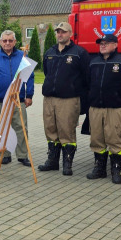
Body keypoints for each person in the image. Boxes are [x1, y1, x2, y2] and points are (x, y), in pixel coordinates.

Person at [38, 21, 89, 175]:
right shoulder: (50, 52)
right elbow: (47, 72)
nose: (60, 34)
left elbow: (87, 77)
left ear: (70, 34)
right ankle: (52, 161)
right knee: (50, 130)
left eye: (63, 32)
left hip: (68, 99)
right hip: (49, 99)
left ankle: (67, 164)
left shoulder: (79, 53)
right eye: (58, 32)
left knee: (67, 132)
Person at [85, 33, 121, 183]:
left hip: (115, 109)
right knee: (96, 140)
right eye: (101, 43)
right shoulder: (93, 63)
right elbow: (87, 84)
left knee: (114, 140)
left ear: (115, 45)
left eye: (106, 43)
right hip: (95, 108)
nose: (102, 45)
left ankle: (116, 171)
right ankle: (100, 169)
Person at [0, 30, 35, 166]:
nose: (7, 43)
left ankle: (22, 155)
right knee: (1, 128)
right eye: (5, 40)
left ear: (15, 42)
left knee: (21, 127)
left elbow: (29, 77)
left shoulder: (23, 56)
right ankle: (5, 153)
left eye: (10, 40)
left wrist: (29, 95)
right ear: (0, 42)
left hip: (18, 99)